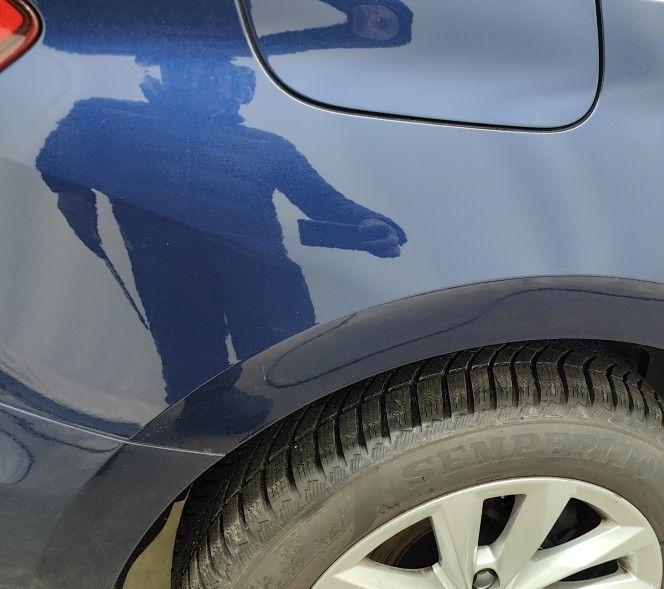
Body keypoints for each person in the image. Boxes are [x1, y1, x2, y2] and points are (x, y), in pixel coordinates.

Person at [37, 57, 407, 404]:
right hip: (175, 283)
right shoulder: (107, 118)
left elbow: (324, 201)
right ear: (170, 75)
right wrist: (72, 192)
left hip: (263, 282)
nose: (216, 87)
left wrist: (370, 223)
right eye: (198, 74)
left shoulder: (269, 147)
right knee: (197, 389)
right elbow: (59, 157)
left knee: (291, 380)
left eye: (228, 79)